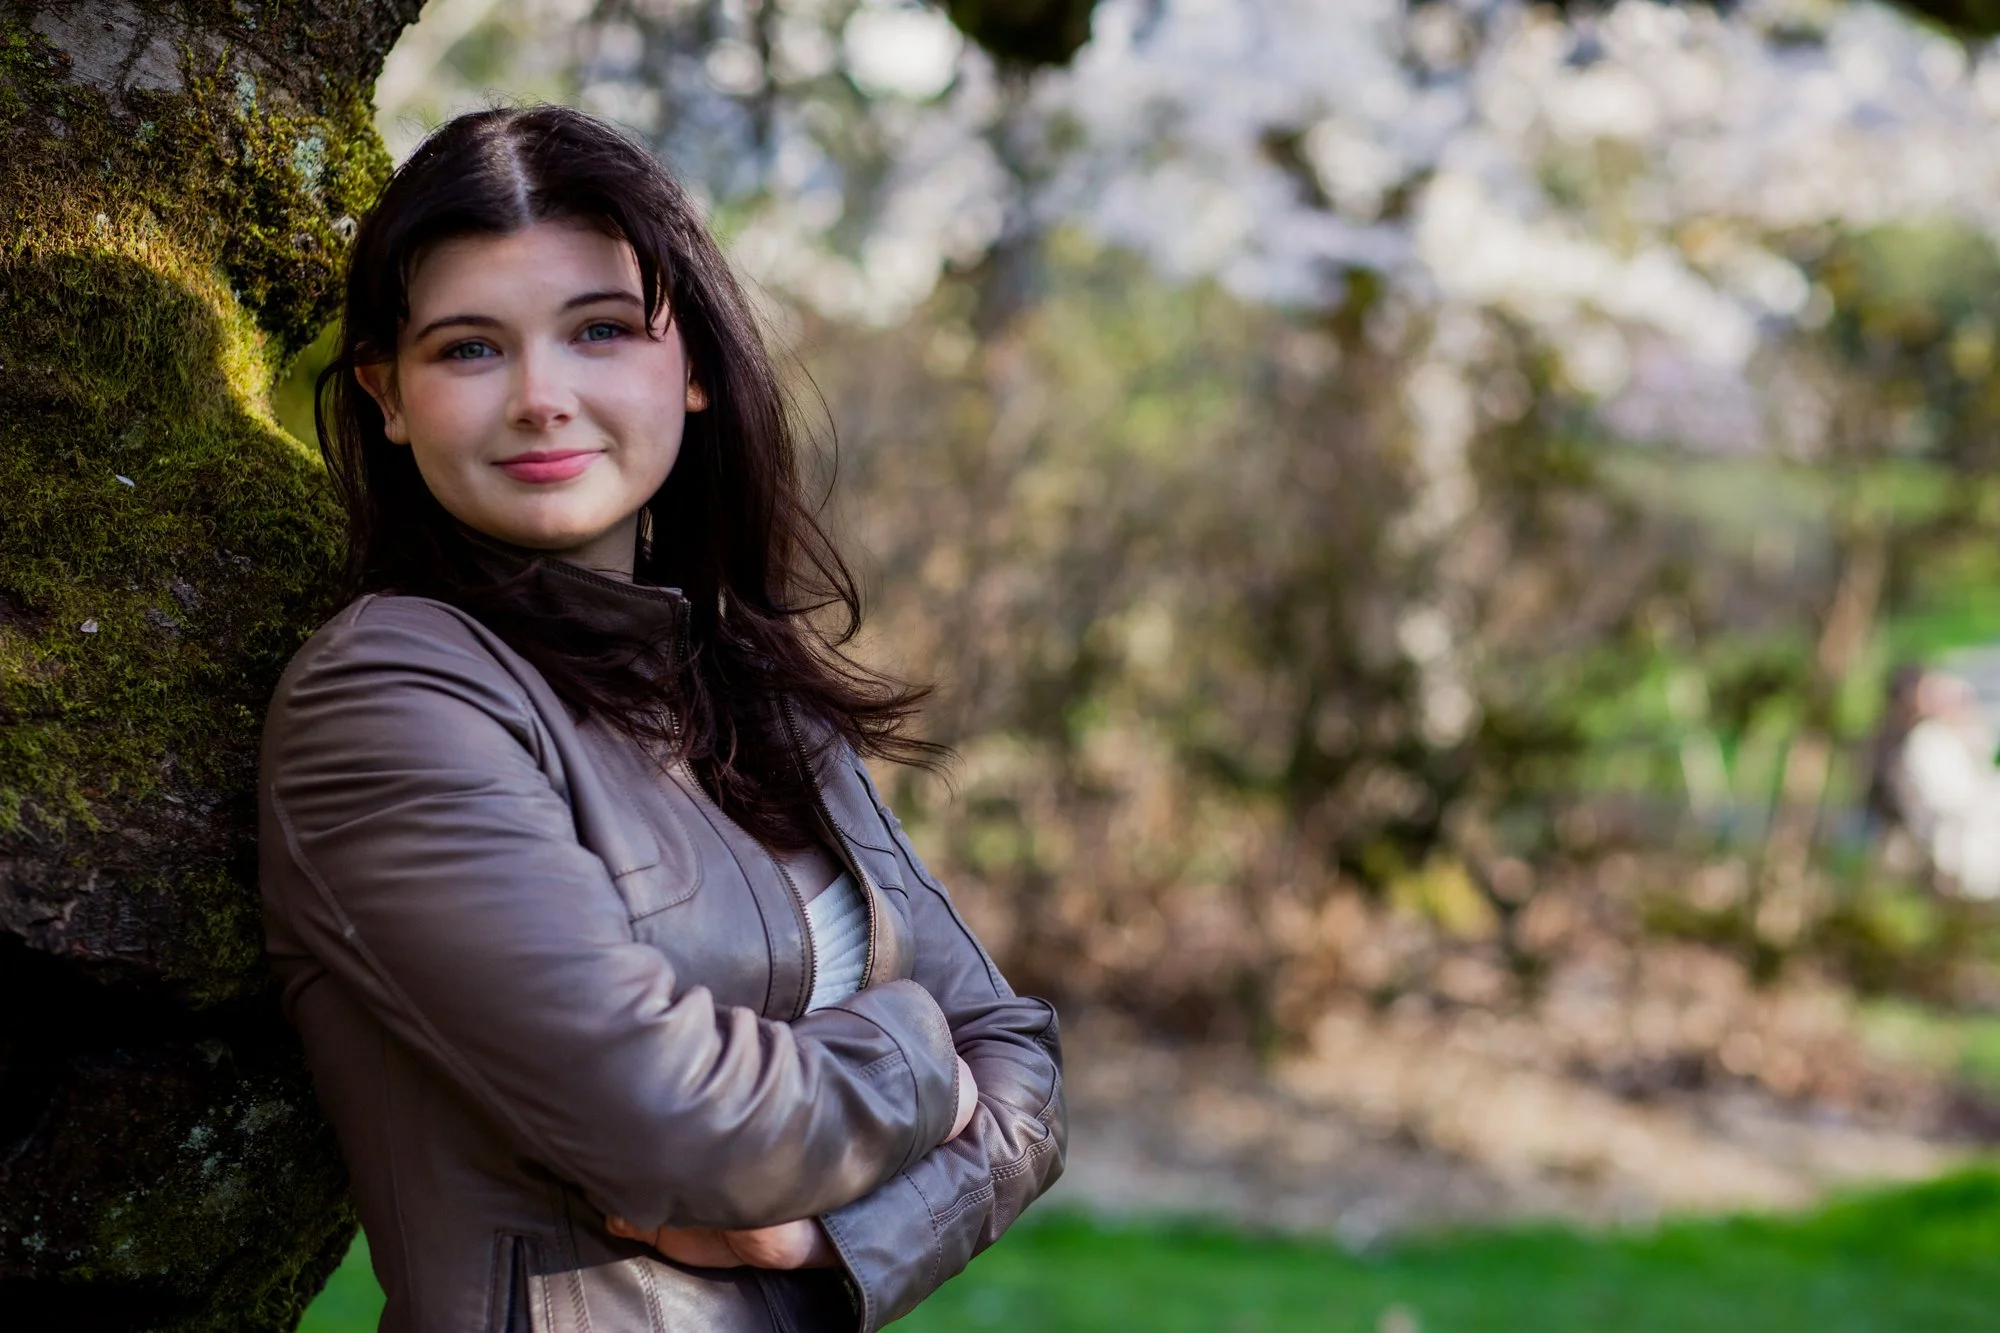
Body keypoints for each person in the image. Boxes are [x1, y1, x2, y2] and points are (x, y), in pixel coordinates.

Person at [257, 104, 1065, 1333]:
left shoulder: (752, 688)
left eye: (598, 331)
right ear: (387, 395)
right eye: (469, 349)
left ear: (687, 366)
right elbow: (673, 1120)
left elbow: (1015, 1054)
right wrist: (915, 1051)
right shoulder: (388, 699)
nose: (541, 397)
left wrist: (824, 1234)